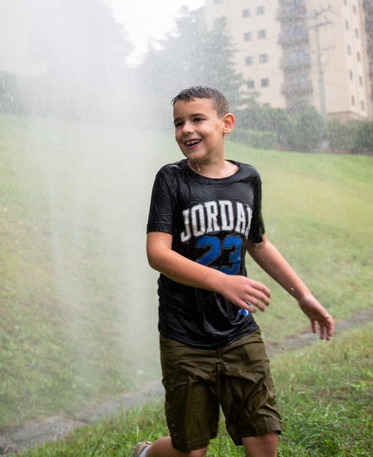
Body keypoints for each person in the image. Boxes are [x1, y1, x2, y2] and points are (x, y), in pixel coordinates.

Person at [134, 86, 334, 457]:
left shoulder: (248, 180)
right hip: (185, 335)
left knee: (264, 436)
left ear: (226, 123)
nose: (186, 130)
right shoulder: (171, 180)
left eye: (197, 119)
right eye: (179, 123)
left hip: (237, 330)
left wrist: (303, 295)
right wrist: (221, 281)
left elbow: (257, 243)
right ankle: (146, 454)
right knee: (190, 450)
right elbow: (157, 253)